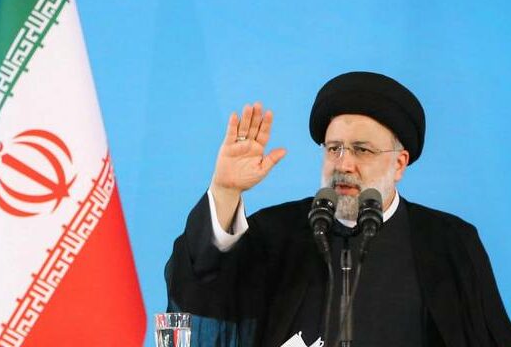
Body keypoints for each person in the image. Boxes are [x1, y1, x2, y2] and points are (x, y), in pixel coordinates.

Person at [165, 72, 511, 347]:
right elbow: (202, 293)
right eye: (334, 148)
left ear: (399, 164)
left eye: (362, 150)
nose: (343, 164)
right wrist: (225, 191)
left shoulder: (449, 242)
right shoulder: (275, 233)